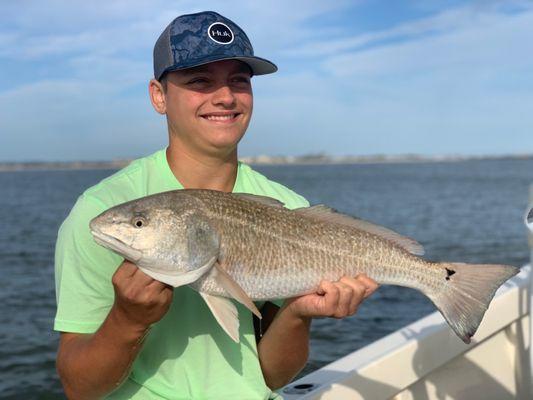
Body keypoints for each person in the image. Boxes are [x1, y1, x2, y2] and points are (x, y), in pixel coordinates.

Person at [54, 11, 378, 399]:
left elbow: (272, 376)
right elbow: (78, 388)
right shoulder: (106, 211)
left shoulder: (288, 208)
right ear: (159, 95)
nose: (225, 97)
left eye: (239, 81)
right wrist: (128, 319)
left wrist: (299, 312)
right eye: (200, 81)